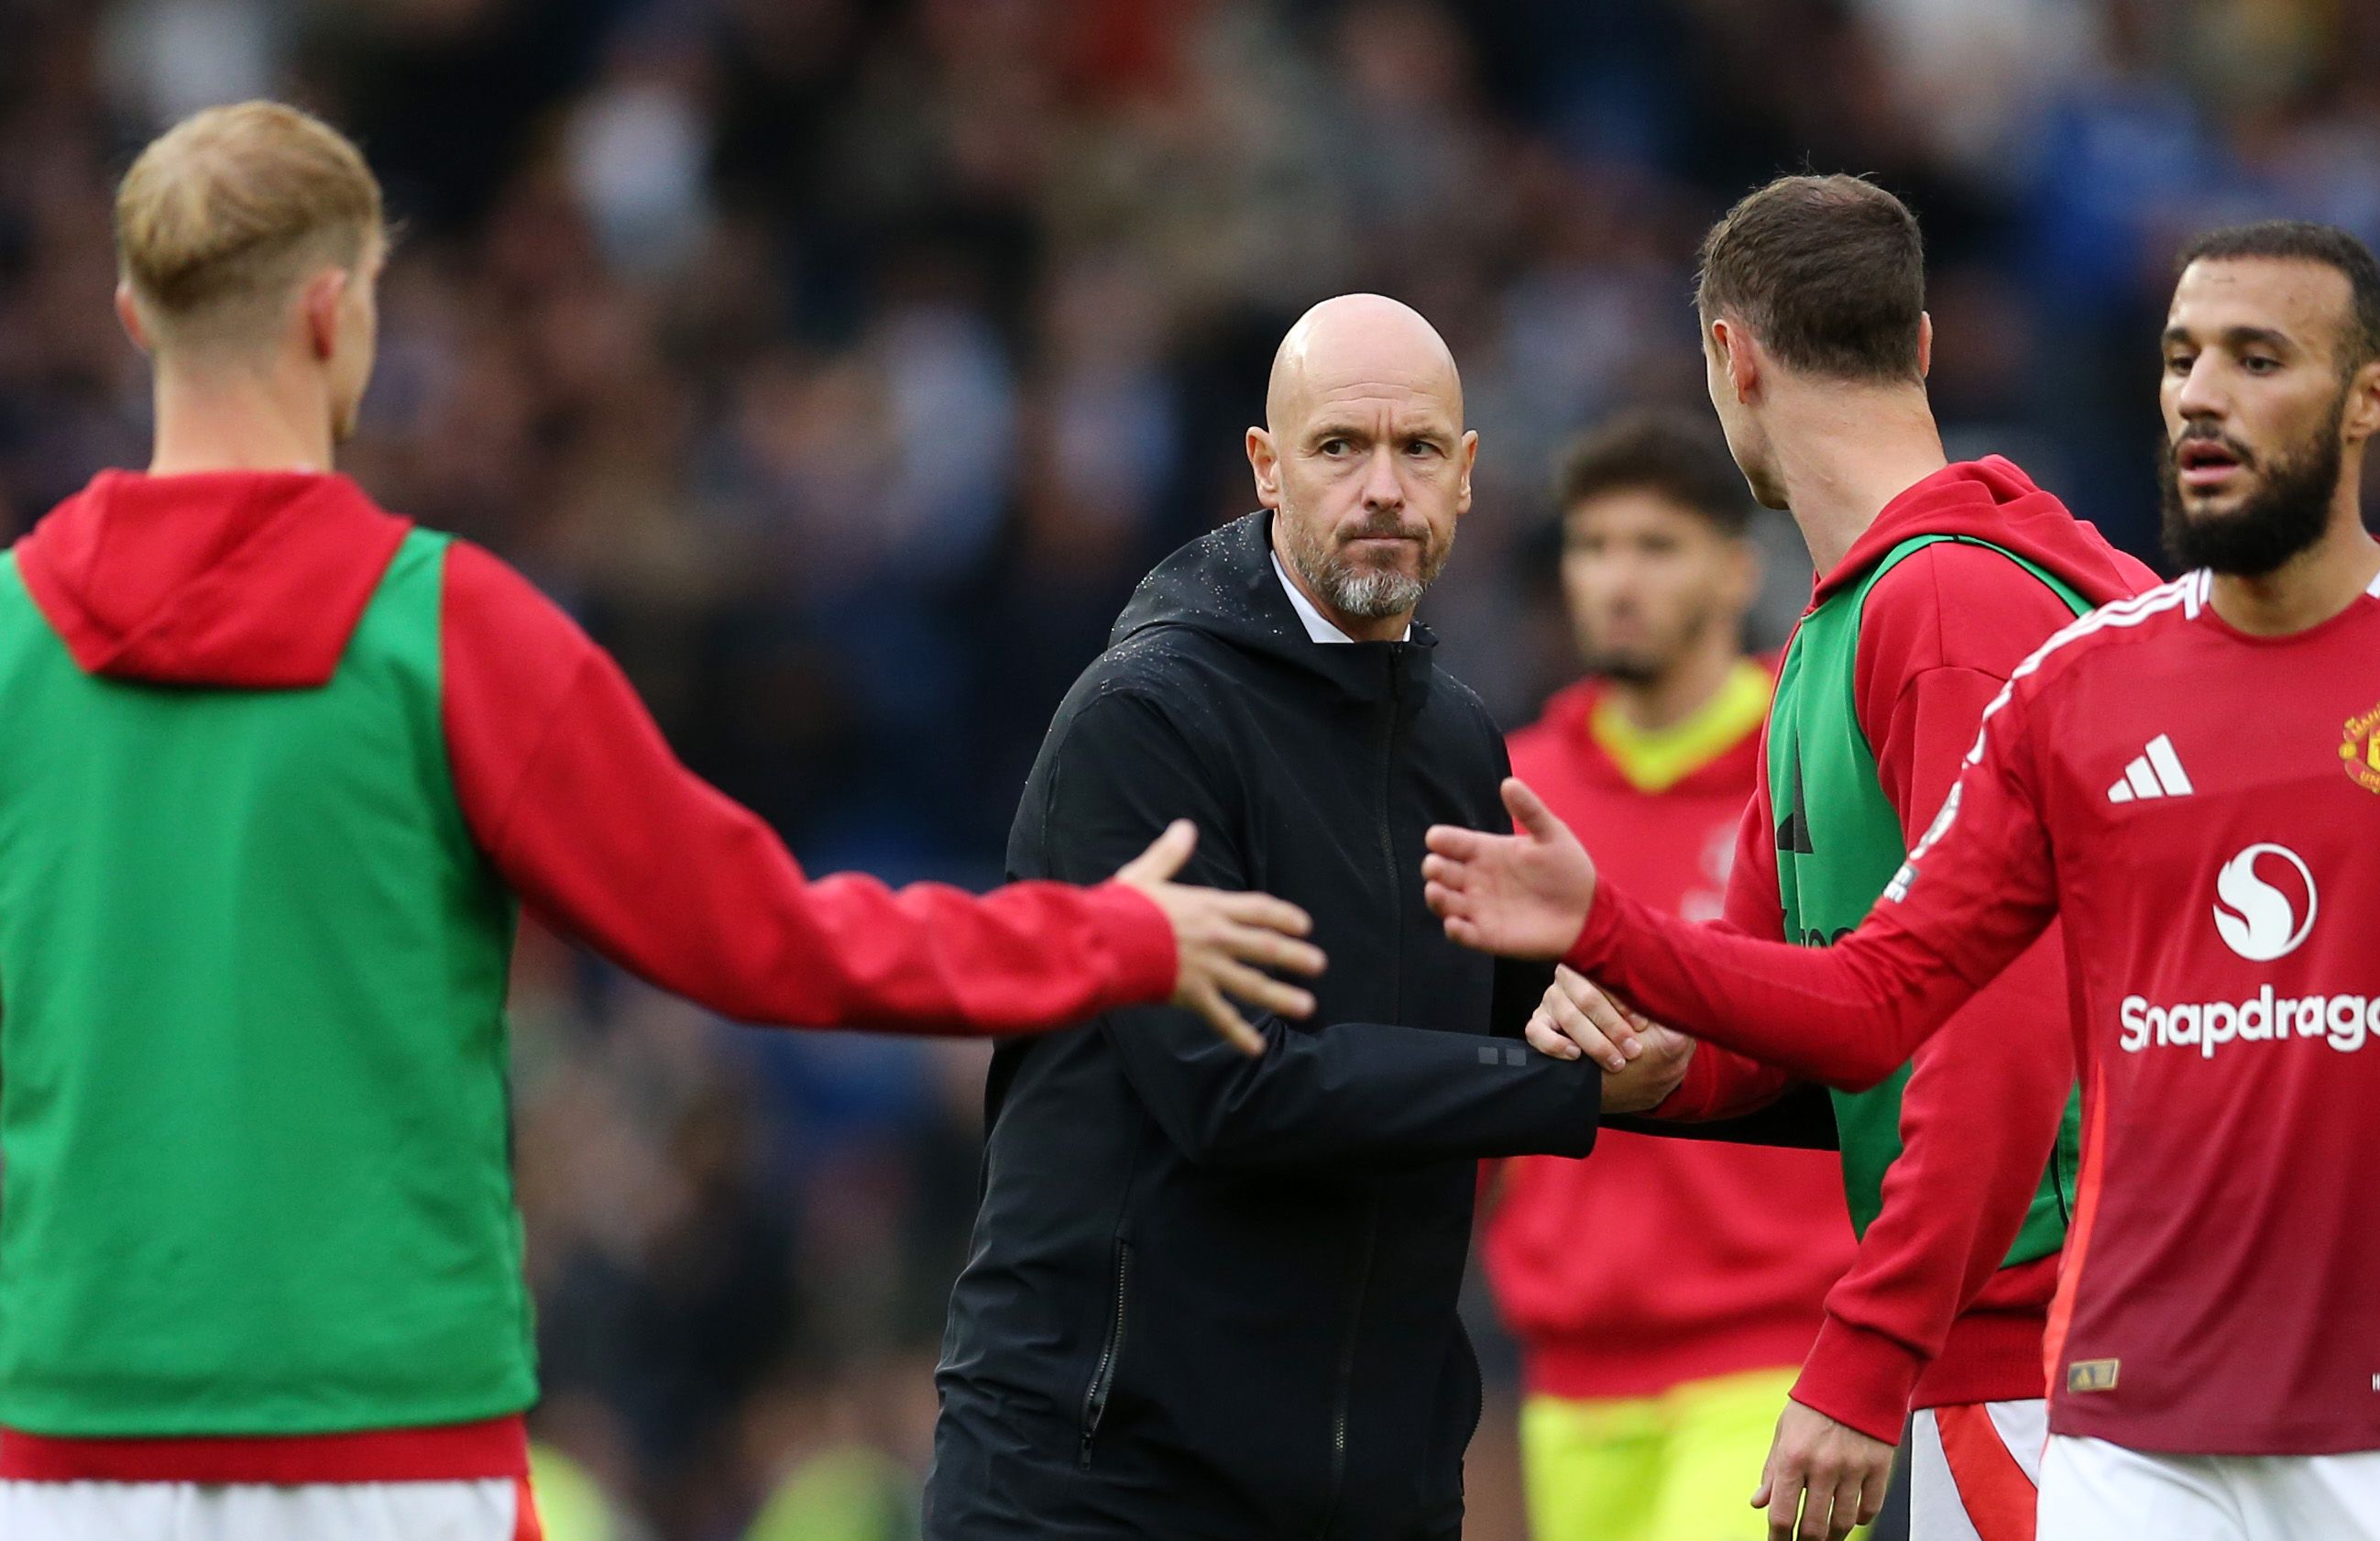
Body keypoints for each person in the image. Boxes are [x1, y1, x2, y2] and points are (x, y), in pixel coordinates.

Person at [0, 102, 1322, 1541]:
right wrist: (1108, 935)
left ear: (134, 313)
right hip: (390, 1440)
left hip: (69, 1438)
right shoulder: (449, 633)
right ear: (334, 310)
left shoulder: (12, 643)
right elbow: (766, 940)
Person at [1424, 221, 2380, 1541]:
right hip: (2115, 1395)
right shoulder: (2048, 675)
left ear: (2374, 397)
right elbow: (1881, 995)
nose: (2205, 391)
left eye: (2257, 357)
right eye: (2182, 358)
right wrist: (1618, 965)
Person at [924, 293, 1693, 1541]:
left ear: (1468, 476)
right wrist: (1564, 1087)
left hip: (1368, 1495)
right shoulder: (1143, 722)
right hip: (1098, 1485)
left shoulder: (1457, 743)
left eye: (1418, 450)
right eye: (1340, 448)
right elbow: (1231, 1090)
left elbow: (1564, 1030)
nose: (1382, 487)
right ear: (1266, 469)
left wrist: (1820, 1056)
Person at [1534, 175, 2155, 1541]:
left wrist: (1864, 1351)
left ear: (1729, 358)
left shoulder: (1948, 606)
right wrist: (1662, 1064)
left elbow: (2004, 1025)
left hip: (2067, 1350)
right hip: (2003, 1352)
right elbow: (1800, 1012)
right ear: (1921, 348)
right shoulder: (1835, 635)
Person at [1484, 411, 1860, 1541]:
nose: (1616, 579)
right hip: (1570, 1370)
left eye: (1655, 546)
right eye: (1593, 547)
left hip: (1771, 1351)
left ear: (1735, 568)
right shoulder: (1513, 791)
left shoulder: (1807, 767)